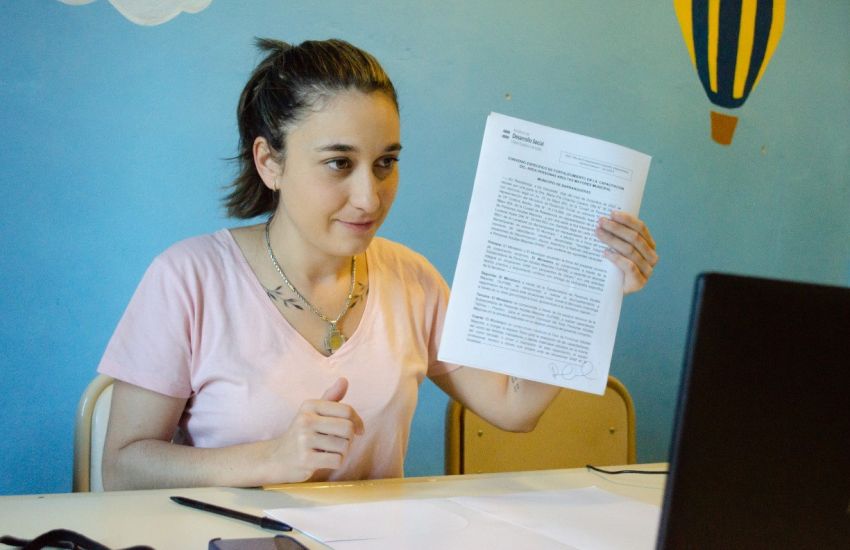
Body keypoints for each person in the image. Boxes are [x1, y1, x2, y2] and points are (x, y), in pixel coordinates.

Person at [99, 38, 658, 490]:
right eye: (339, 163)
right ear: (269, 162)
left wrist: (593, 292)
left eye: (386, 162)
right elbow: (123, 466)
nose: (370, 197)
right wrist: (272, 458)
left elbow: (514, 409)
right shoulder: (188, 278)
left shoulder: (411, 279)